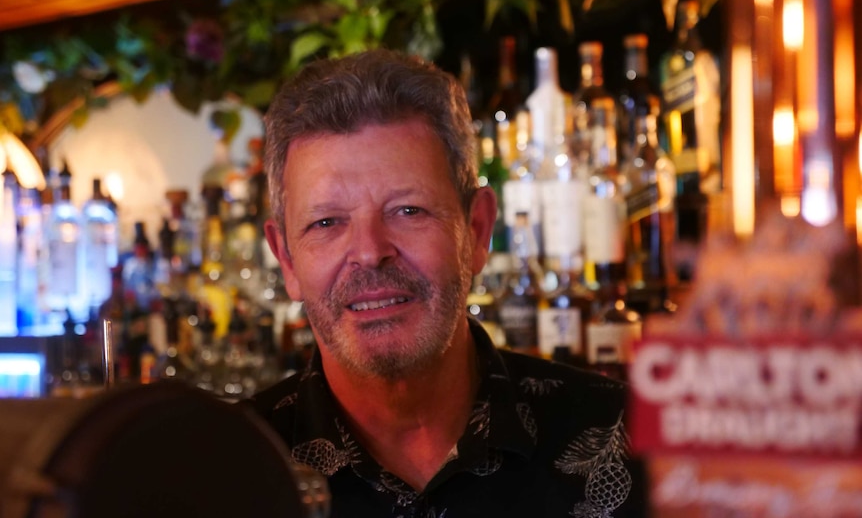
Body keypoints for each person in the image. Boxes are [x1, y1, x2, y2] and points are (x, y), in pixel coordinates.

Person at [246, 49, 645, 517]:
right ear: (286, 259)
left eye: (408, 211)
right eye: (327, 222)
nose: (371, 252)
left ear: (476, 231)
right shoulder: (219, 472)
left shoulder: (635, 442)